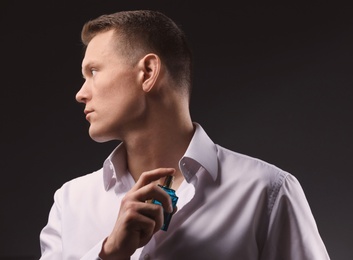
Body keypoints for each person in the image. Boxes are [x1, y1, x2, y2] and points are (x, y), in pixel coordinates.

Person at [39, 10, 330, 260]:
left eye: (93, 71)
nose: (80, 93)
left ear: (148, 72)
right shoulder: (71, 202)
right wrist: (110, 252)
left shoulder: (267, 192)